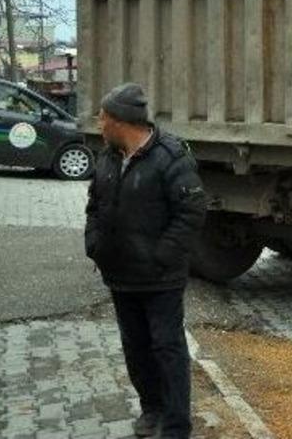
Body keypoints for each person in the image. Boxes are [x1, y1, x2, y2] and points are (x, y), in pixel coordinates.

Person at [84, 83, 206, 439]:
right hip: (120, 275)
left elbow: (192, 212)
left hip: (160, 279)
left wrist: (161, 255)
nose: (99, 124)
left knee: (167, 349)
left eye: (103, 118)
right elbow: (94, 205)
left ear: (120, 121)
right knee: (136, 349)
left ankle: (176, 425)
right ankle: (151, 410)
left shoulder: (171, 156)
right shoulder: (108, 156)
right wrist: (95, 244)